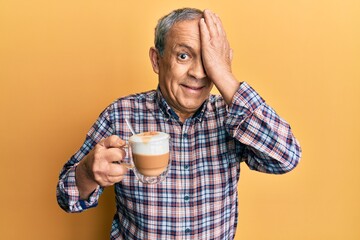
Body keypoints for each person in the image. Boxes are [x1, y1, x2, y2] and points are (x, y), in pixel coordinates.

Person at [57, 8, 301, 239]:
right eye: (183, 55)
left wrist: (225, 75)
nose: (198, 72)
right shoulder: (121, 115)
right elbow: (66, 197)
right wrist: (88, 172)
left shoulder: (232, 115)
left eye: (208, 59)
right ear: (156, 60)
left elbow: (286, 157)